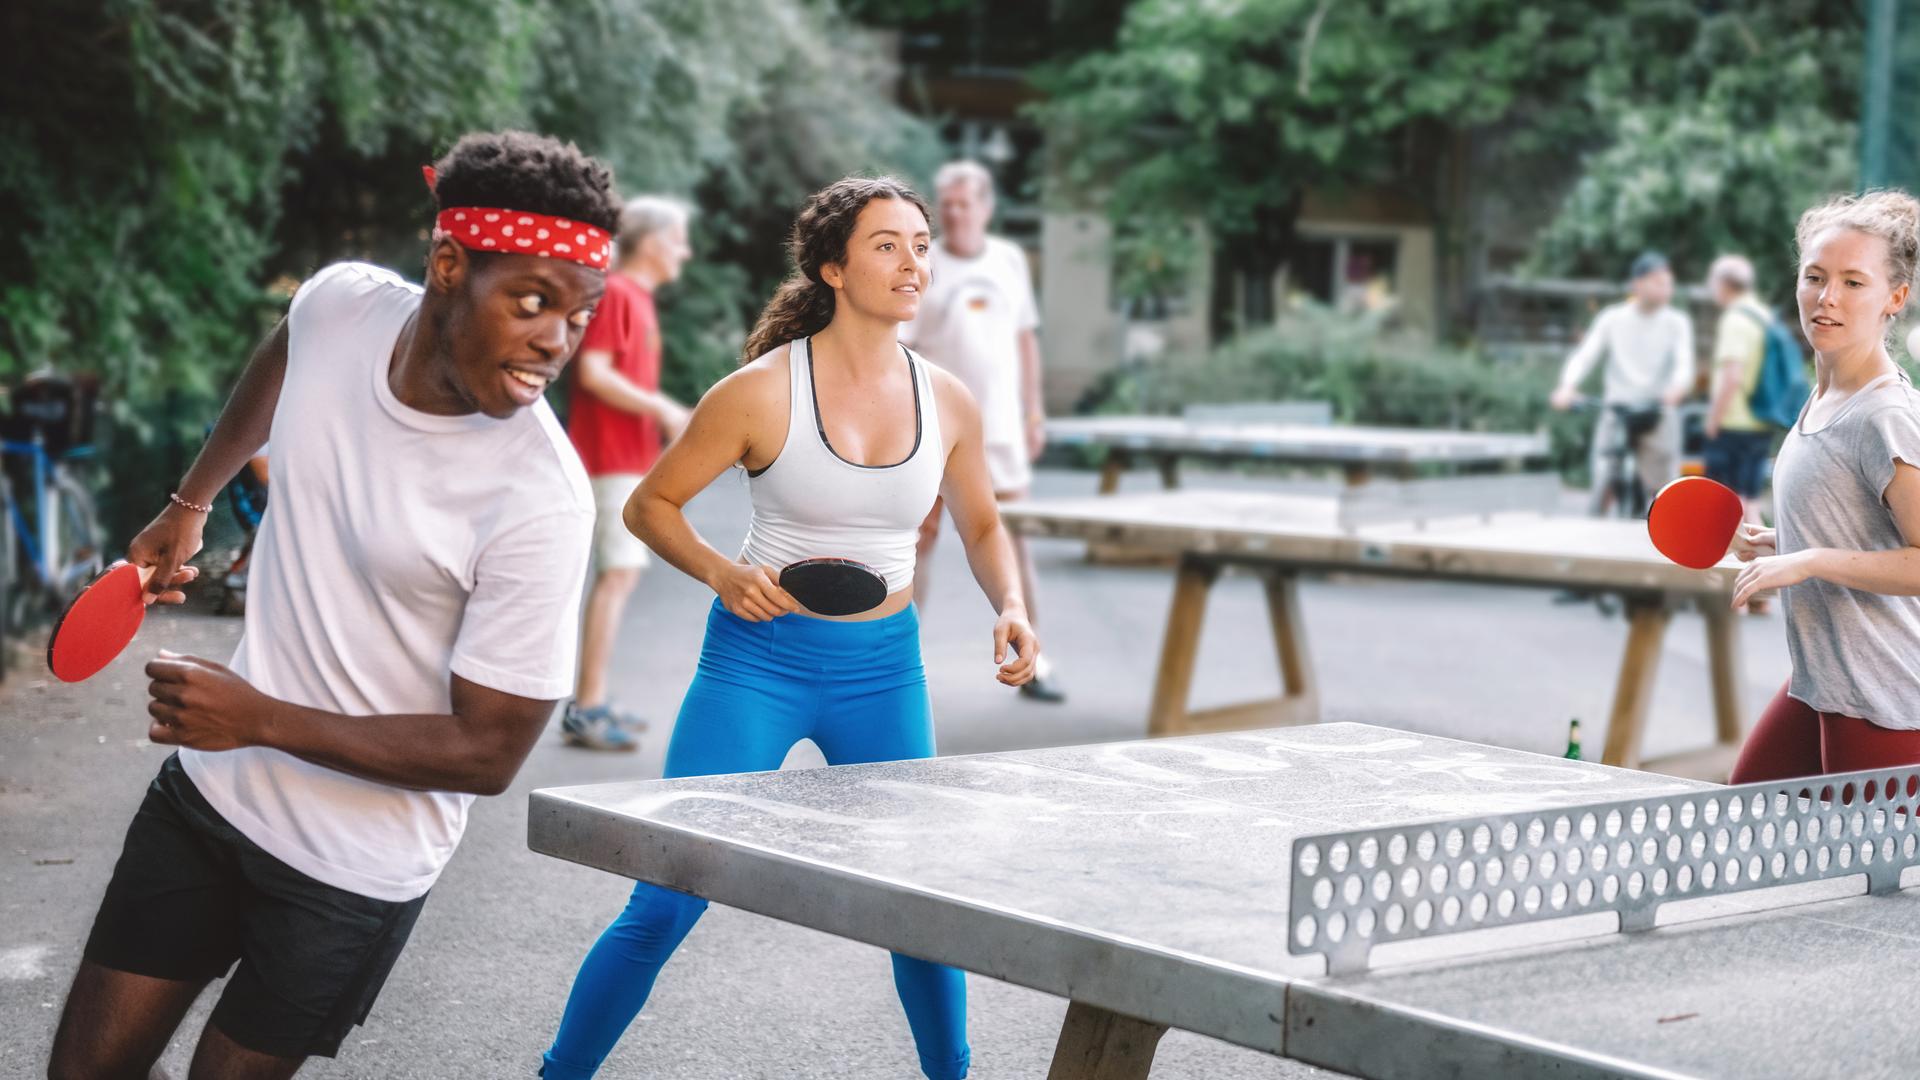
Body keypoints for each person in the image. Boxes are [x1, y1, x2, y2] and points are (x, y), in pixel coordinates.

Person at [47, 130, 614, 1079]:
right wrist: (188, 505)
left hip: (351, 873)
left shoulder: (540, 499)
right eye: (530, 300)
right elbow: (286, 350)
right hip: (209, 801)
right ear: (447, 267)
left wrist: (258, 718)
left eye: (578, 315)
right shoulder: (344, 305)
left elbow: (489, 752)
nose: (555, 339)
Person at [540, 176, 1039, 1080]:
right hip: (756, 665)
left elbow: (983, 524)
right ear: (833, 267)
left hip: (885, 672)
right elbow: (651, 508)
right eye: (888, 244)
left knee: (919, 908)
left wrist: (1010, 603)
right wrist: (723, 573)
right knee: (667, 895)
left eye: (922, 245)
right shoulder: (760, 391)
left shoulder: (949, 399)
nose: (914, 263)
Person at [1729, 190, 1920, 781]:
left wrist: (1808, 560)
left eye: (1853, 282)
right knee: (1743, 822)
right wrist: (1781, 544)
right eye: (1815, 276)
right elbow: (1857, 526)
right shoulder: (1824, 396)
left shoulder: (1883, 415)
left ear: (1895, 297)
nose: (1827, 297)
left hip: (1885, 696)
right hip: (1821, 682)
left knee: (1878, 874)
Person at [901, 160, 1064, 702]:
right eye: (945, 203)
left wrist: (1034, 411)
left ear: (986, 208)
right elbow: (906, 346)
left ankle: (1032, 661)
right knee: (917, 539)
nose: (952, 212)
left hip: (1001, 430)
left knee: (1014, 540)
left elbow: (1026, 341)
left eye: (963, 203)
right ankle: (899, 662)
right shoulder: (924, 262)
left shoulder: (1010, 260)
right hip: (935, 427)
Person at [561, 195, 695, 751]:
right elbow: (592, 373)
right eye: (680, 240)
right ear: (654, 242)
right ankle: (586, 707)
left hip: (626, 461)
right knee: (616, 578)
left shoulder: (634, 299)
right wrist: (663, 408)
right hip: (608, 460)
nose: (685, 253)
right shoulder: (618, 293)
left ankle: (589, 699)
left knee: (618, 577)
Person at [1550, 251, 1696, 515]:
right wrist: (1567, 385)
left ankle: (1666, 545)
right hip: (1616, 409)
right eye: (1658, 281)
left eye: (1668, 282)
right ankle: (1594, 533)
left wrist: (1677, 387)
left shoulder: (1676, 322)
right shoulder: (1612, 318)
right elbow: (1586, 355)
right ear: (1637, 284)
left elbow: (1684, 363)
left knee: (1665, 489)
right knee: (1603, 477)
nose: (1666, 288)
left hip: (1657, 410)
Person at [1702, 254, 1776, 613]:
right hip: (1760, 423)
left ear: (1723, 284)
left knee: (1727, 505)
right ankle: (1763, 587)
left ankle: (1742, 592)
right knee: (1750, 503)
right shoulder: (1761, 314)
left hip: (1733, 423)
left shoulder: (1735, 318)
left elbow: (1731, 376)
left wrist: (1712, 420)